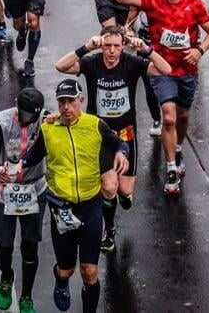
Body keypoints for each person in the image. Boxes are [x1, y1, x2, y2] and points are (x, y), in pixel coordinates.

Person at [55, 26, 170, 252]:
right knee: (109, 187)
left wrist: (146, 49)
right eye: (107, 45)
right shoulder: (92, 63)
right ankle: (109, 229)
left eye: (117, 46)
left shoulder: (132, 63)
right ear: (101, 45)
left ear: (123, 46)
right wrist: (86, 47)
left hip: (126, 134)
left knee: (124, 191)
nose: (111, 51)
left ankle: (123, 197)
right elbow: (61, 66)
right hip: (99, 134)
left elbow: (165, 69)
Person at [19, 80, 129, 313]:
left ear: (81, 101)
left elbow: (119, 142)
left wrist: (121, 153)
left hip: (90, 206)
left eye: (71, 101)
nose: (66, 107)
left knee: (89, 271)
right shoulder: (48, 129)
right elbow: (34, 155)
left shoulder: (95, 125)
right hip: (62, 209)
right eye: (62, 102)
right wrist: (17, 166)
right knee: (66, 269)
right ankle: (61, 281)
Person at [113, 0, 209, 196]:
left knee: (182, 116)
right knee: (168, 117)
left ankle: (178, 149)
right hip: (162, 69)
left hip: (188, 69)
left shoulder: (195, 4)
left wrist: (200, 50)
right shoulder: (152, 1)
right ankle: (171, 169)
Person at [0, 86, 48, 312]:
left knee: (30, 247)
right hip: (4, 193)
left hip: (33, 190)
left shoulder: (46, 121)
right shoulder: (0, 122)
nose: (27, 120)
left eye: (32, 116)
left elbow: (46, 148)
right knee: (3, 247)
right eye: (24, 114)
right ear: (16, 104)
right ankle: (7, 276)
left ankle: (26, 296)